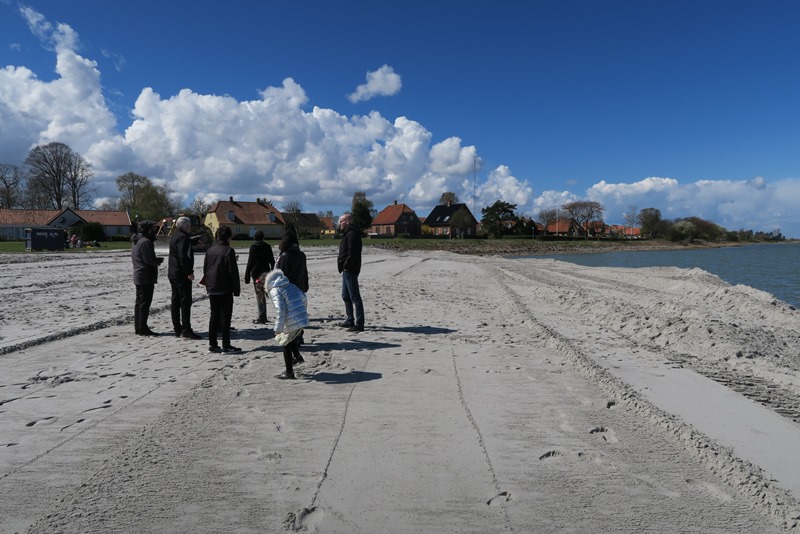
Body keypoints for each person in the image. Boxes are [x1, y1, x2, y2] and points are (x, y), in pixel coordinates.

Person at [203, 226, 241, 353]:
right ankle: (226, 344)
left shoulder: (210, 250)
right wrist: (236, 289)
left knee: (214, 315)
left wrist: (208, 284)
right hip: (224, 287)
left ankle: (212, 344)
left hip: (212, 286)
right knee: (225, 316)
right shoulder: (228, 251)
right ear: (228, 237)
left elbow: (205, 269)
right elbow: (233, 272)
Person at [265, 268, 309, 380]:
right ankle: (298, 357)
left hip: (291, 319)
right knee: (291, 339)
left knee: (285, 343)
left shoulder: (275, 291)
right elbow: (303, 297)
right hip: (301, 318)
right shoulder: (291, 286)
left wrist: (278, 328)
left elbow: (280, 310)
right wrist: (301, 312)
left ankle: (289, 372)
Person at [168, 216, 201, 339]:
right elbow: (183, 256)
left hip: (173, 273)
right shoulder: (183, 237)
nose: (191, 227)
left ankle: (177, 328)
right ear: (186, 226)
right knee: (185, 302)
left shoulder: (175, 236)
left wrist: (193, 241)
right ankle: (186, 329)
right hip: (181, 274)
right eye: (190, 226)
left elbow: (181, 245)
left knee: (175, 301)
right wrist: (189, 272)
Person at [131, 220, 163, 336]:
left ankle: (138, 328)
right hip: (145, 275)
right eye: (152, 228)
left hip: (138, 274)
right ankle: (143, 328)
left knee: (139, 303)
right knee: (144, 303)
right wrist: (159, 261)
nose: (154, 230)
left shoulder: (136, 241)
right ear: (148, 229)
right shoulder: (146, 242)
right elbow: (149, 260)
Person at [276, 231, 309, 343]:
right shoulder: (301, 255)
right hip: (299, 288)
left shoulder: (284, 256)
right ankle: (299, 336)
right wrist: (305, 285)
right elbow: (304, 272)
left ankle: (293, 338)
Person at [337, 213, 364, 332]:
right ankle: (350, 319)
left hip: (350, 269)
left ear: (347, 221)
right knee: (345, 295)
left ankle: (359, 323)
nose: (339, 223)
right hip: (346, 269)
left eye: (341, 221)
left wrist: (346, 265)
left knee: (354, 297)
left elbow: (353, 253)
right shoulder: (348, 233)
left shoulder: (352, 234)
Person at [244, 230, 275, 324]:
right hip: (266, 273)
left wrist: (247, 275)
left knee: (259, 295)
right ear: (263, 237)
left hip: (257, 274)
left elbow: (250, 262)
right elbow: (272, 261)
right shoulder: (267, 246)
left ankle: (262, 316)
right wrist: (272, 273)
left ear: (255, 238)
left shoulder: (253, 247)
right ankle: (264, 315)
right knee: (266, 294)